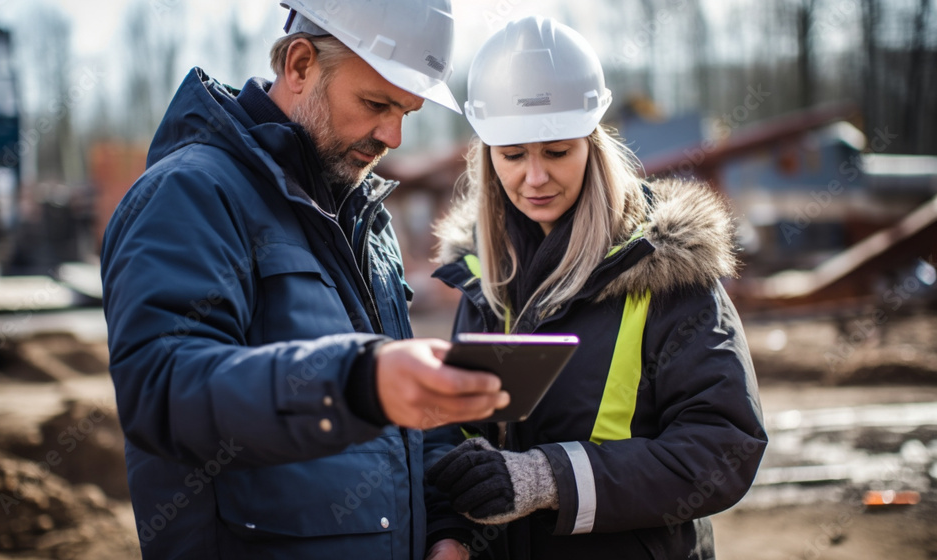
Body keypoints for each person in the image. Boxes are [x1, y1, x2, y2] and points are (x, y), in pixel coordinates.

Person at [99, 1, 510, 558]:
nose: (393, 136)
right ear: (299, 65)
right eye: (376, 104)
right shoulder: (191, 195)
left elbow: (402, 423)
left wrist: (443, 528)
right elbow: (162, 389)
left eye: (406, 112)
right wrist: (356, 383)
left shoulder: (363, 220)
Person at [424, 16, 768, 560]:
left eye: (557, 151)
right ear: (487, 154)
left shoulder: (665, 269)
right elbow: (453, 429)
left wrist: (549, 480)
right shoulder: (483, 274)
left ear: (592, 143)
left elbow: (724, 447)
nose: (535, 177)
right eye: (512, 155)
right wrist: (449, 530)